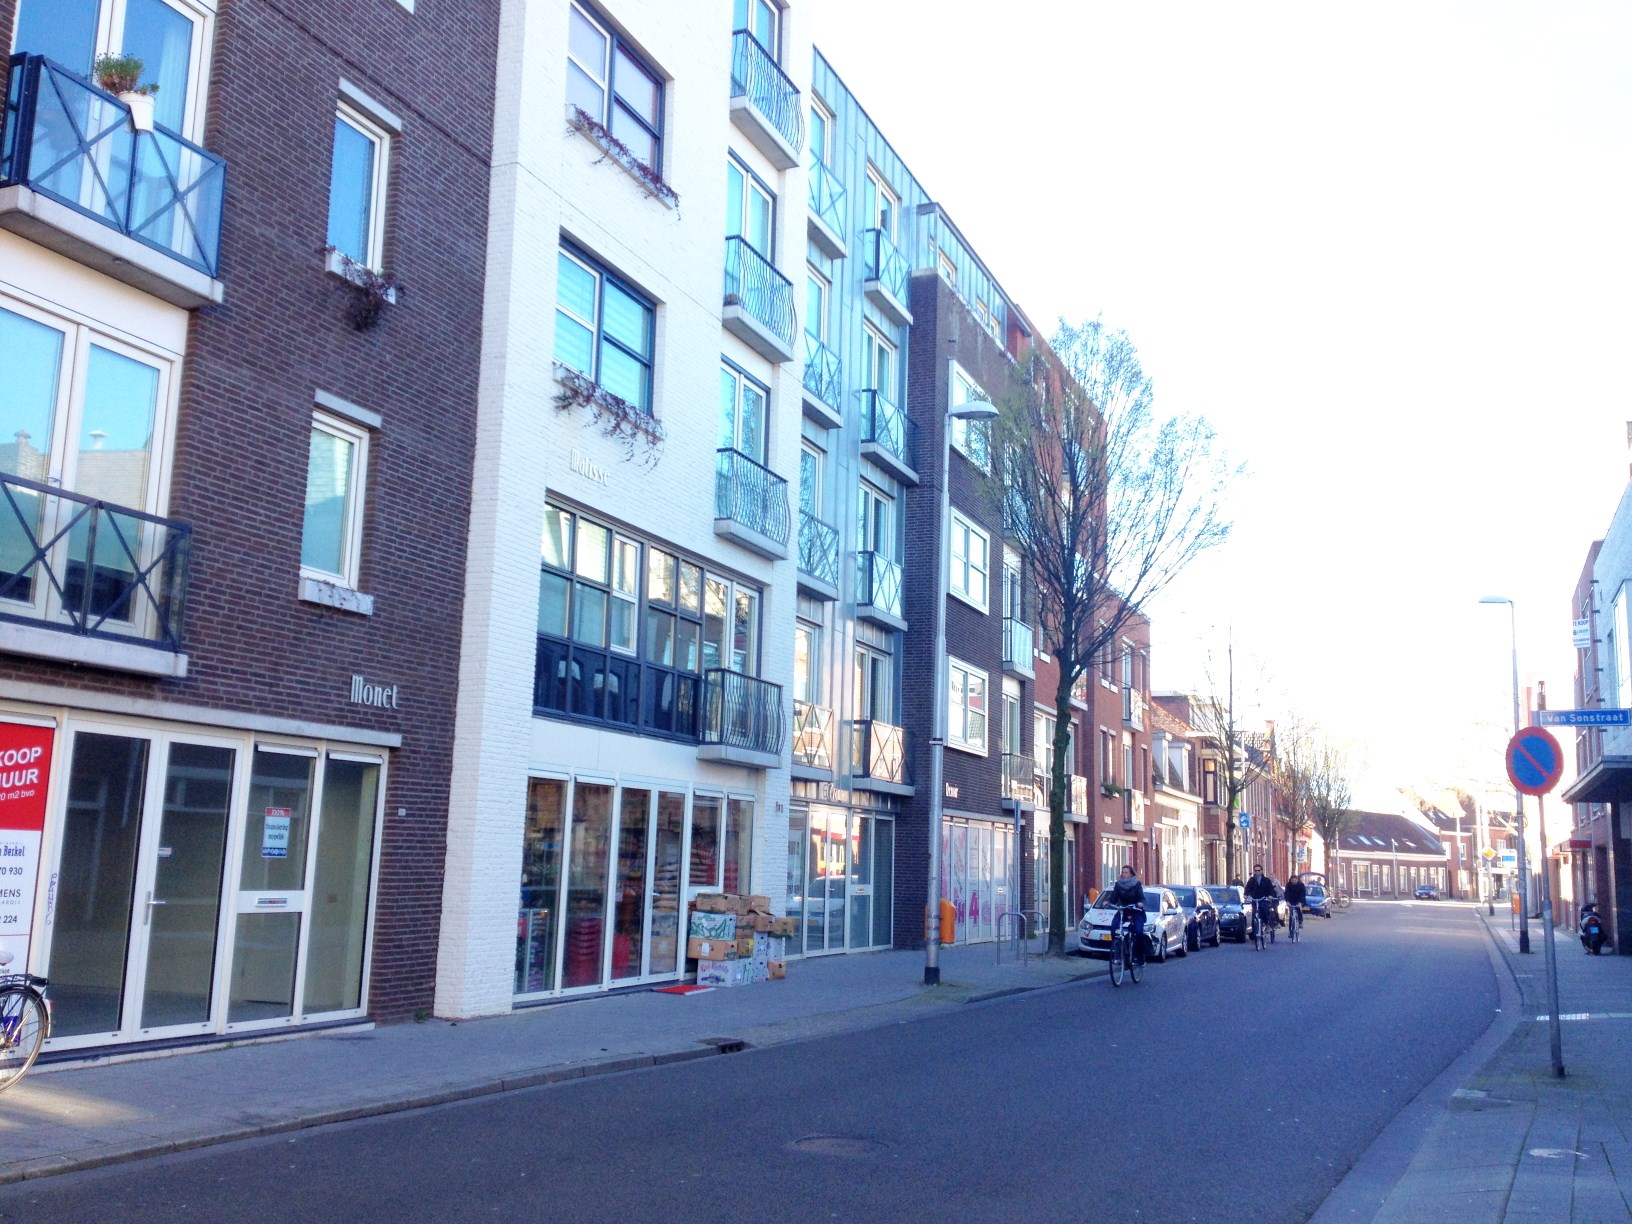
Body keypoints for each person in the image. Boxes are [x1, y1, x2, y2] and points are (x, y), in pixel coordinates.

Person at [1107, 864, 1147, 964]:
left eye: (1126, 872)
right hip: (1124, 910)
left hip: (1136, 910)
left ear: (1131, 874)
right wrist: (1108, 902)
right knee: (1114, 927)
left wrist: (1140, 903)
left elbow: (1142, 898)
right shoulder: (1118, 884)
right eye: (1123, 872)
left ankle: (1139, 957)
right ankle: (1118, 953)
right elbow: (1114, 898)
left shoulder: (1137, 884)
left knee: (1138, 931)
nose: (1124, 874)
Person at [1244, 864, 1281, 935]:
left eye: (1258, 870)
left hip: (1263, 898)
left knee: (1264, 909)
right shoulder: (1252, 880)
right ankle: (1254, 931)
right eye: (1255, 871)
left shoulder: (1266, 880)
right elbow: (1248, 888)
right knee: (1254, 914)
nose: (1257, 872)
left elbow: (1271, 889)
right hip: (1255, 899)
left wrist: (1270, 895)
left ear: (1261, 871)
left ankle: (1267, 924)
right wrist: (1246, 894)